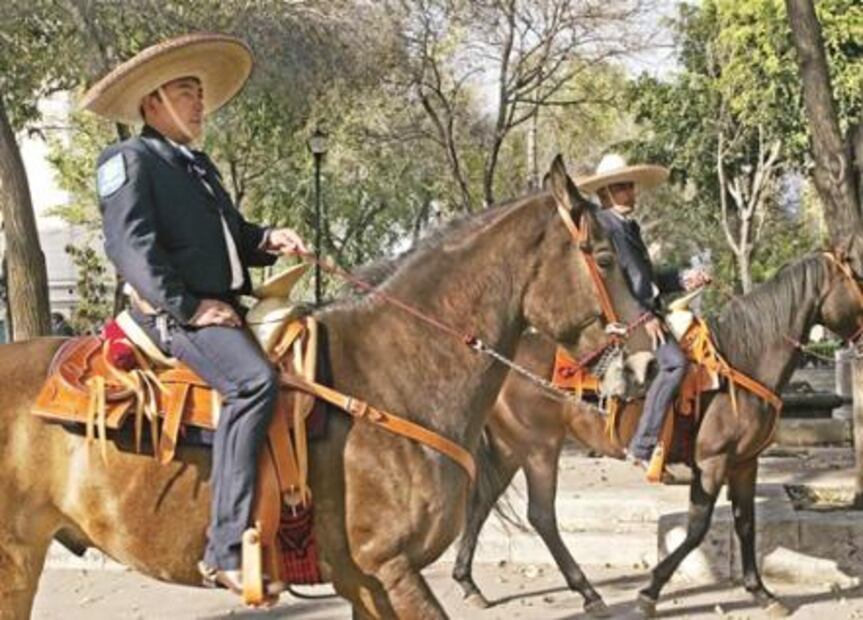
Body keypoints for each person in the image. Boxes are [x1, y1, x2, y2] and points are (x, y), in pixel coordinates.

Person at [80, 33, 306, 594]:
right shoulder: (130, 159)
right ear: (153, 101)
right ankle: (225, 547)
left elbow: (234, 237)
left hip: (223, 306)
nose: (199, 103)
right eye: (187, 91)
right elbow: (131, 248)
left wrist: (269, 238)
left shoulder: (196, 165)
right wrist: (189, 306)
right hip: (174, 315)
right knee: (253, 384)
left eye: (200, 93)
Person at [577, 154, 710, 466]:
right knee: (675, 364)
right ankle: (643, 445)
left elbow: (646, 280)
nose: (631, 193)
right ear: (605, 193)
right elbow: (613, 284)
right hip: (628, 320)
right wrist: (642, 315)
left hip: (645, 315)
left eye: (630, 187)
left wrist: (684, 278)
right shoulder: (606, 227)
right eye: (622, 188)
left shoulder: (627, 227)